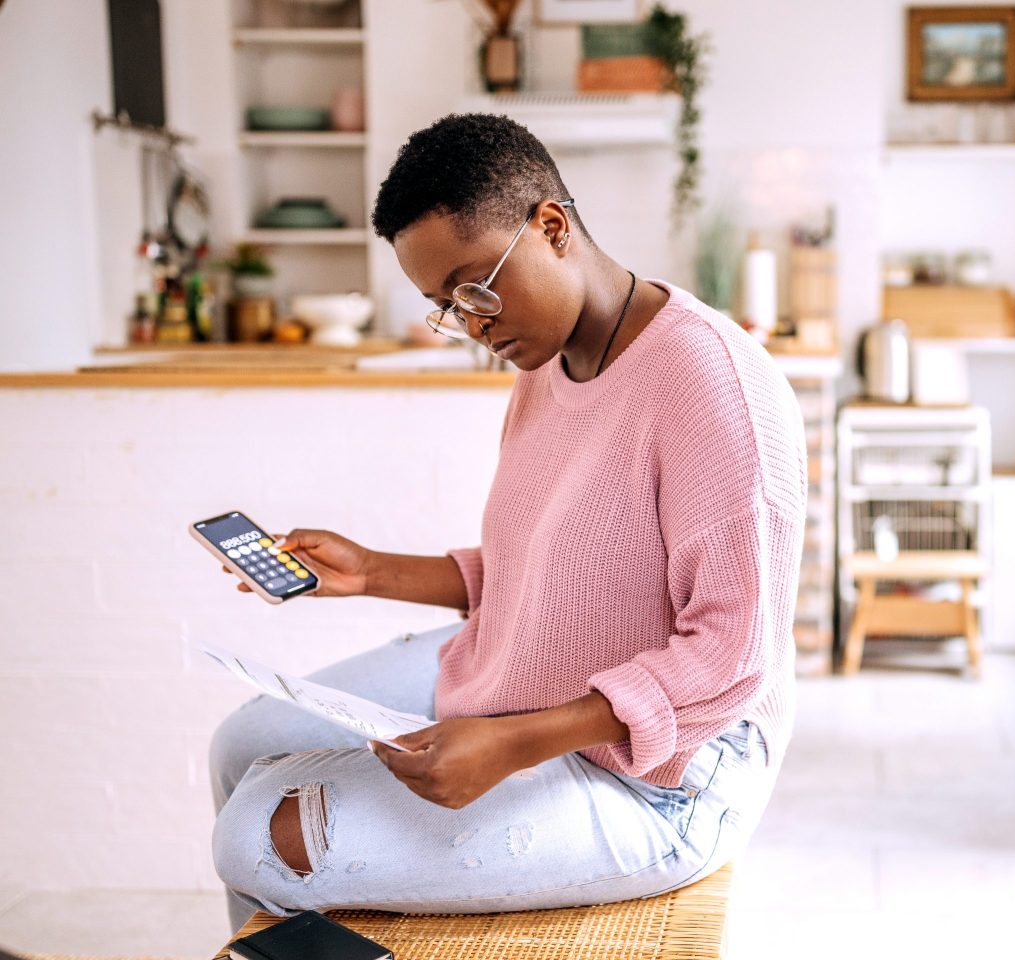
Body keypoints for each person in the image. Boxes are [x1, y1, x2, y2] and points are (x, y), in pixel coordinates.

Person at [209, 112, 808, 932]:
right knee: (240, 744)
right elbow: (544, 571)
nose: (473, 324)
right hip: (521, 673)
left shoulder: (712, 385)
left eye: (474, 286)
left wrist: (516, 742)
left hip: (669, 777)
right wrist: (371, 571)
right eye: (445, 306)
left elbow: (735, 655)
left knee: (259, 836)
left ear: (550, 226)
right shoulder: (548, 359)